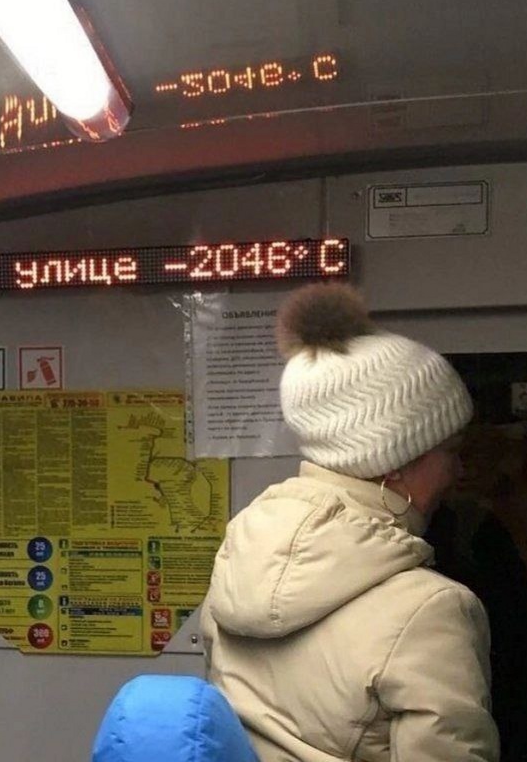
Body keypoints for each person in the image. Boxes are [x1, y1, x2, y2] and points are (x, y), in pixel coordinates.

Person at [200, 282, 500, 762]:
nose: (458, 471)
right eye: (450, 450)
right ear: (395, 460)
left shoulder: (238, 560)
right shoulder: (431, 610)